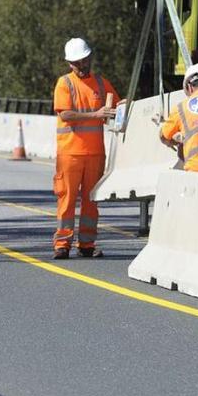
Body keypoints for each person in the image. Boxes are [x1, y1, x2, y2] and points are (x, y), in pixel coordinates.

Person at [52, 37, 120, 259]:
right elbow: (65, 114)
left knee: (91, 202)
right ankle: (62, 244)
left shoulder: (102, 84)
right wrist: (96, 114)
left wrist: (124, 107)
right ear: (69, 63)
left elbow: (117, 108)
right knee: (67, 199)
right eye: (75, 63)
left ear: (89, 58)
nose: (80, 66)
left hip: (95, 154)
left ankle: (87, 244)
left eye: (83, 61)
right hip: (70, 154)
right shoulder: (65, 83)